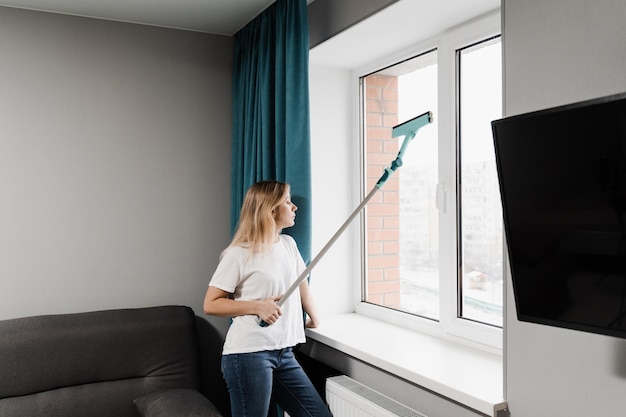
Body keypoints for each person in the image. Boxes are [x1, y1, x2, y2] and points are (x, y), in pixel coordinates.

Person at [204, 180, 332, 417]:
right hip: (248, 354)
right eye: (287, 201)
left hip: (284, 352)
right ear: (271, 210)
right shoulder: (239, 253)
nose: (294, 207)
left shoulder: (288, 244)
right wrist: (257, 307)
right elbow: (211, 303)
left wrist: (313, 317)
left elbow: (300, 283)